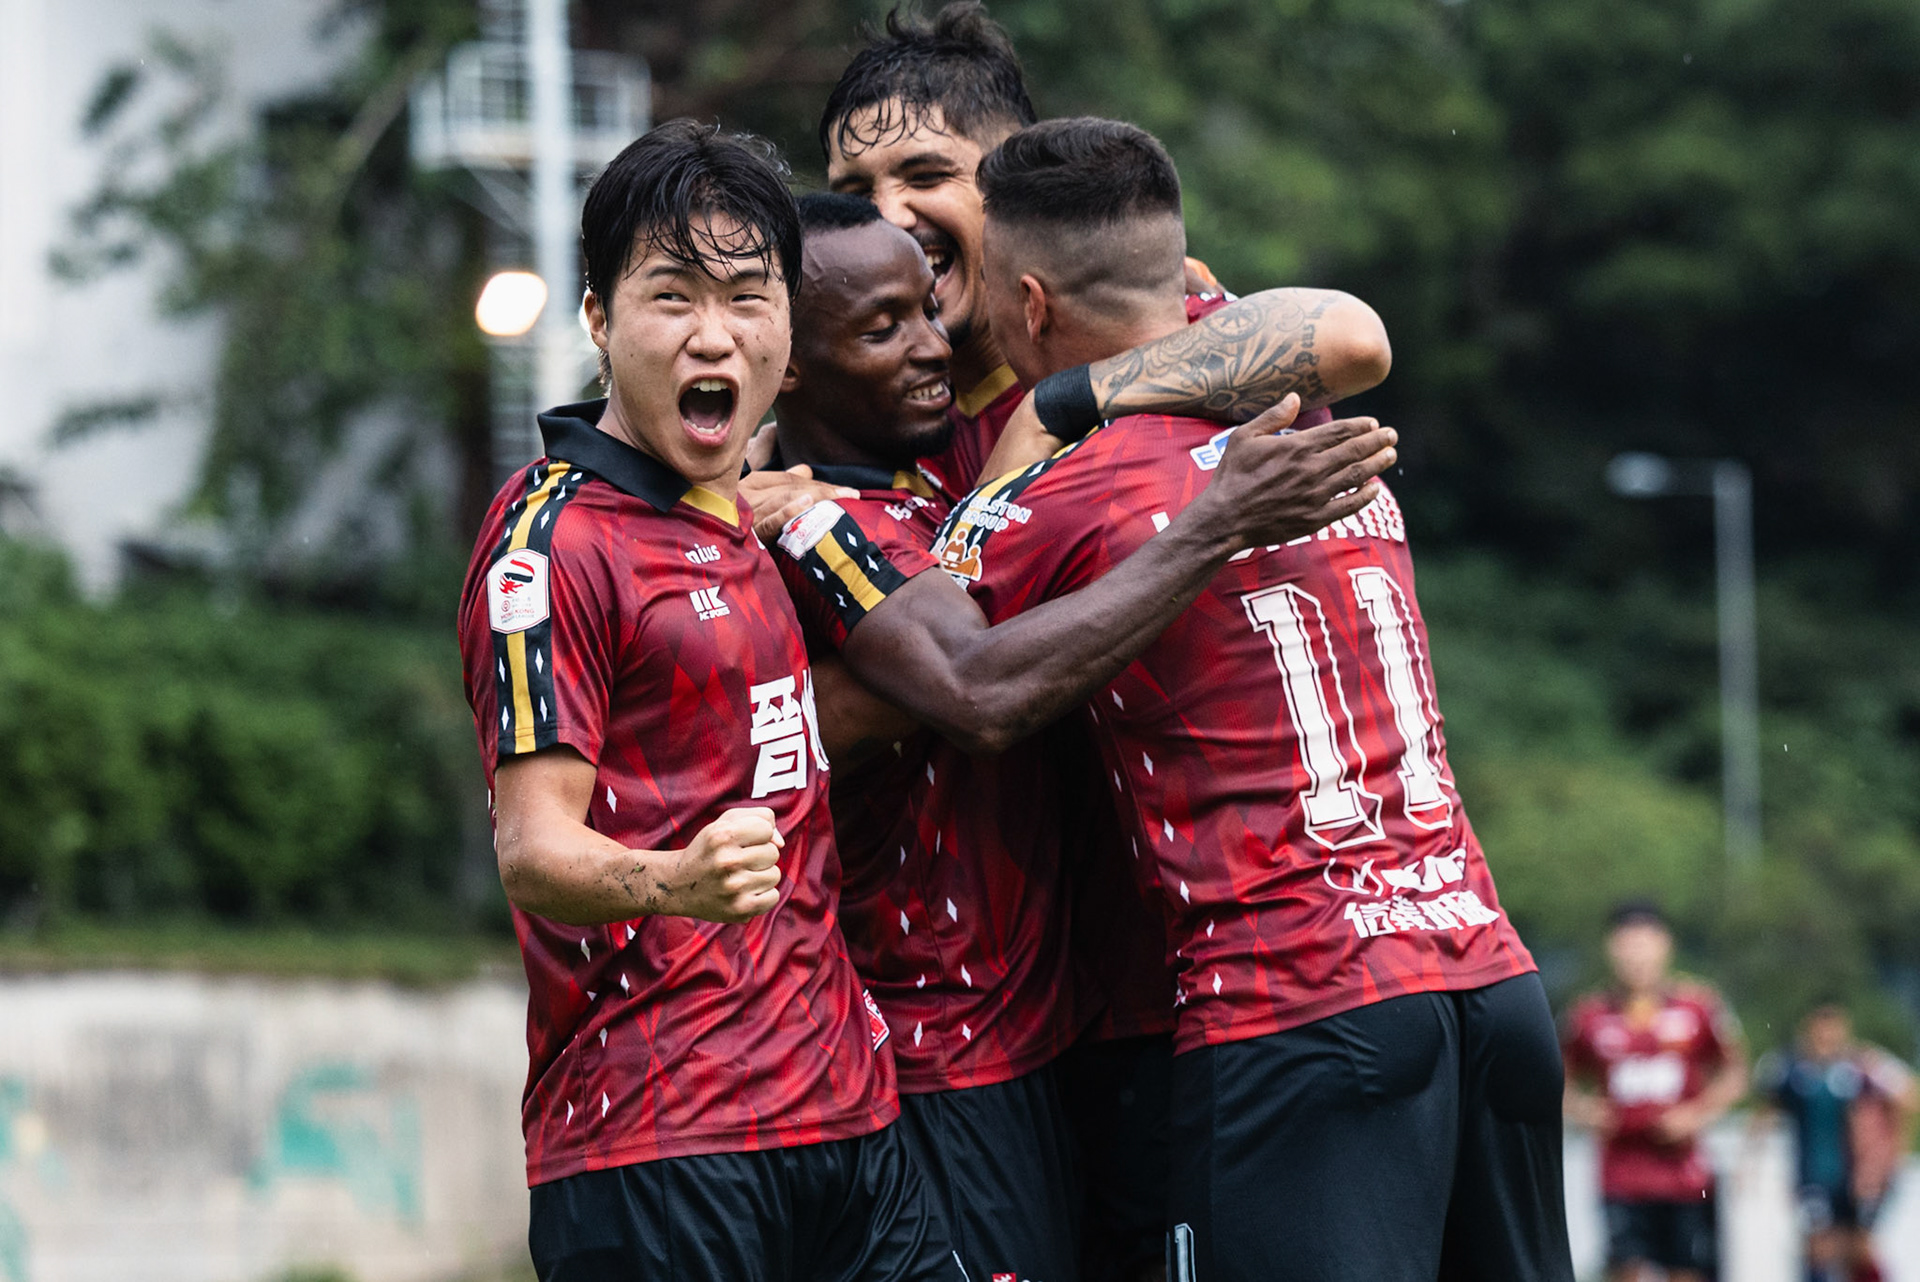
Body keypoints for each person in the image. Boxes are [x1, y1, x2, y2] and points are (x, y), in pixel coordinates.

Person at [925, 116, 1570, 1282]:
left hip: (1296, 1008)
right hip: (1486, 974)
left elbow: (931, 671)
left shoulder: (1063, 501)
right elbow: (1335, 328)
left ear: (1027, 303)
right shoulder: (1310, 428)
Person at [812, 11, 1391, 1276]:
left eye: (924, 174)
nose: (889, 212)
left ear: (1013, 188)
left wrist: (1063, 409)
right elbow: (825, 710)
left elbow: (1347, 334)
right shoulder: (846, 426)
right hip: (961, 1034)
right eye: (854, 186)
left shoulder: (1145, 351)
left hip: (1182, 1002)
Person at [455, 120, 968, 1282]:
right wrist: (674, 881)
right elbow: (534, 850)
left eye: (747, 298)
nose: (713, 333)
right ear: (596, 317)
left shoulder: (757, 510)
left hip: (847, 1115)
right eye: (671, 296)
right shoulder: (553, 548)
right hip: (658, 1143)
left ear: (788, 333)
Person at [1562, 901, 1748, 1282]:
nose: (1636, 956)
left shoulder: (1699, 1006)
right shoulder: (1589, 1015)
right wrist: (1583, 1110)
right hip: (1620, 1176)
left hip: (1685, 1176)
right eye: (1627, 946)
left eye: (1645, 944)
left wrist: (1696, 1113)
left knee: (1687, 1272)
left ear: (1665, 945)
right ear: (1611, 949)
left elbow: (1735, 1073)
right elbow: (1551, 1080)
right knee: (1627, 1271)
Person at [1757, 1004, 1919, 1282]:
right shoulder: (1793, 1070)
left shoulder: (1861, 1067)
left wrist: (1893, 1151)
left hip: (1859, 1177)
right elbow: (1768, 1108)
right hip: (1813, 1173)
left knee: (1859, 1248)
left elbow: (1907, 1095)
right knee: (1817, 1246)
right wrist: (1750, 1160)